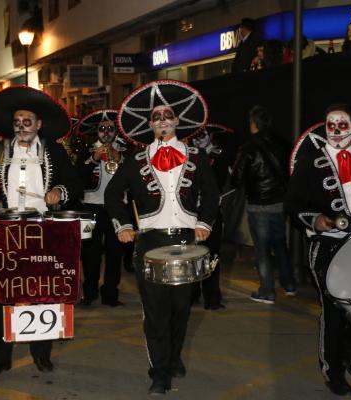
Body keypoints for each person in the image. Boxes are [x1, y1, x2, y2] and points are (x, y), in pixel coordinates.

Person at [105, 80, 218, 395]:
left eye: (167, 115)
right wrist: (123, 225)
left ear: (177, 120)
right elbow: (114, 195)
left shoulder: (197, 156)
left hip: (187, 239)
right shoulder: (135, 160)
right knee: (155, 311)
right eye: (156, 117)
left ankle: (174, 356)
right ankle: (159, 371)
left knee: (181, 308)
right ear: (150, 124)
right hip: (151, 240)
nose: (162, 121)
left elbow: (211, 195)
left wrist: (205, 223)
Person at [0, 85, 82, 377]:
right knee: (2, 294)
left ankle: (41, 354)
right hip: (5, 230)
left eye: (27, 121)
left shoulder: (53, 150)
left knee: (42, 292)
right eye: (17, 122)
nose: (21, 127)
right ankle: (1, 358)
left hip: (42, 229)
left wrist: (59, 192)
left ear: (39, 124)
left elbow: (74, 185)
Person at [285, 103, 351, 396]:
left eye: (342, 125)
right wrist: (316, 220)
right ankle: (333, 372)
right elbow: (292, 204)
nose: (335, 130)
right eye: (330, 125)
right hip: (328, 245)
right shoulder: (310, 163)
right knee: (334, 310)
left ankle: (349, 351)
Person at [231, 106, 296, 304]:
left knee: (262, 249)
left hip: (258, 204)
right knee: (280, 244)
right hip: (279, 203)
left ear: (254, 123)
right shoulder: (284, 144)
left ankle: (267, 291)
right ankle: (289, 284)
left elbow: (237, 179)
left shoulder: (249, 147)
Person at [76, 109, 127, 307]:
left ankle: (110, 294)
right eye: (102, 129)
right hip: (91, 207)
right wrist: (94, 159)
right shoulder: (87, 151)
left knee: (115, 253)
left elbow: (133, 177)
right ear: (96, 131)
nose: (106, 132)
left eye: (110, 129)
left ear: (116, 131)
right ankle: (89, 293)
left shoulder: (124, 150)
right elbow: (78, 178)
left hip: (116, 208)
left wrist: (119, 158)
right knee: (90, 253)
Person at [189, 124, 232, 310]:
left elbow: (220, 183)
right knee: (191, 255)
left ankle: (212, 297)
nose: (199, 138)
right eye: (196, 134)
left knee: (212, 255)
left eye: (203, 134)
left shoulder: (219, 156)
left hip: (211, 213)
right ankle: (191, 294)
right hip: (190, 213)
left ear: (211, 136)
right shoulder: (186, 155)